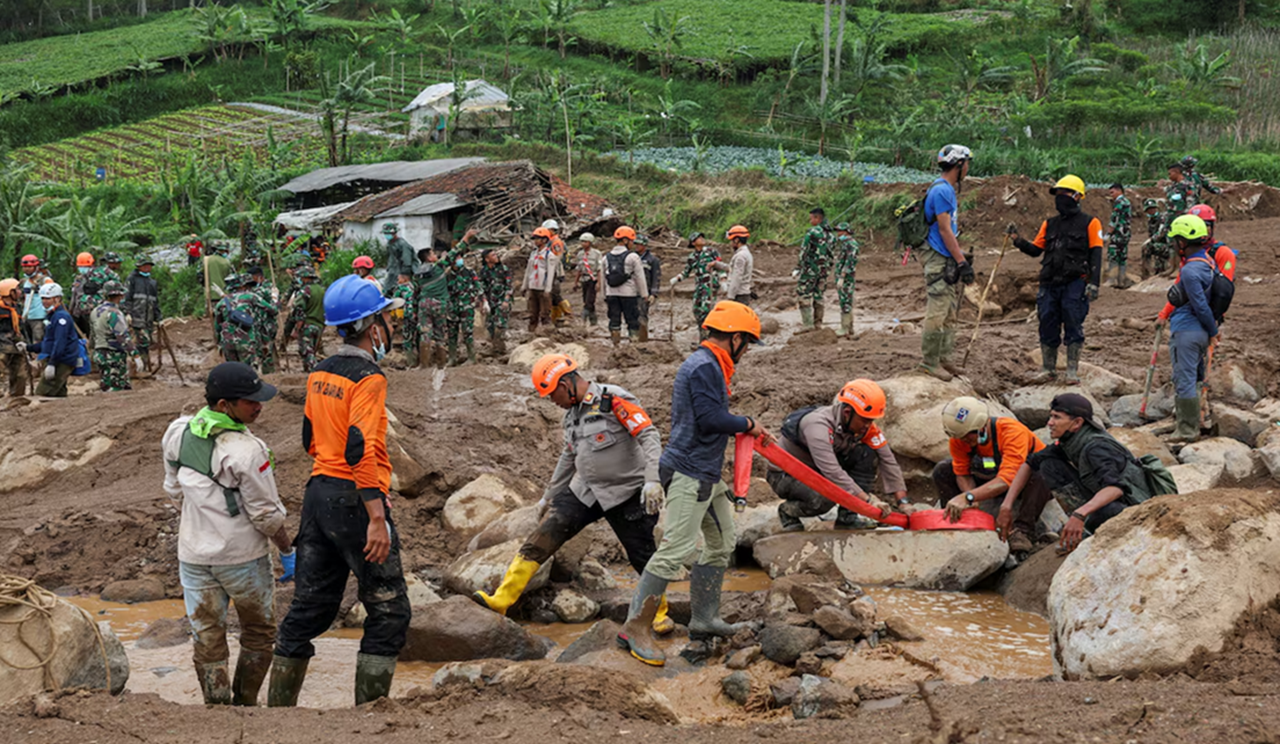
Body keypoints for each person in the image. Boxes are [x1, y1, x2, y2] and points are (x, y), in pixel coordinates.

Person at [270, 275, 409, 707]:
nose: (392, 323)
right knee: (389, 610)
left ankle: (275, 715)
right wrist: (376, 516)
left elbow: (310, 440)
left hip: (318, 496)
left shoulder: (320, 371)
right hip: (355, 501)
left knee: (309, 608)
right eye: (386, 317)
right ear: (371, 326)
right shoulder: (369, 378)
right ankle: (368, 716)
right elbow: (360, 448)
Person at [617, 301, 771, 667]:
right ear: (735, 338)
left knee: (722, 542)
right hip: (689, 472)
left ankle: (704, 619)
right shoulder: (704, 367)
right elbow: (710, 419)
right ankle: (635, 628)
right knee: (675, 550)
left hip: (707, 473)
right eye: (747, 343)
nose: (747, 350)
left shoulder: (713, 365)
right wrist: (748, 423)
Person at [475, 353, 672, 633]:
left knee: (642, 554)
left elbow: (648, 435)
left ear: (565, 383)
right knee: (543, 536)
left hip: (626, 491)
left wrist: (652, 480)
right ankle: (501, 600)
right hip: (586, 490)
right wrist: (547, 497)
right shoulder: (571, 417)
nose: (551, 400)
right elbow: (567, 458)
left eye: (552, 393)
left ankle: (659, 613)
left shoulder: (613, 399)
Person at [162, 362, 291, 706]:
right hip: (242, 559)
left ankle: (215, 707)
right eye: (250, 401)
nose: (259, 406)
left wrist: (203, 516)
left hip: (193, 557)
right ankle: (245, 704)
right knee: (259, 633)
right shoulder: (247, 450)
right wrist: (287, 550)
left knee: (206, 635)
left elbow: (174, 490)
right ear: (224, 405)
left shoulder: (178, 431)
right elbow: (266, 516)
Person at [1005, 394, 1153, 554]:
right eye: (1051, 416)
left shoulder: (1097, 448)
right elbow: (1030, 462)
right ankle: (1082, 528)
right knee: (1049, 465)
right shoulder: (1071, 440)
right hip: (1106, 500)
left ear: (1077, 423)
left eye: (1057, 417)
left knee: (1106, 511)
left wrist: (1080, 514)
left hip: (1133, 510)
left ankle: (1086, 530)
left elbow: (1116, 488)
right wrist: (1006, 506)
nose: (1050, 423)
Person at [768, 380, 909, 532]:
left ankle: (848, 518)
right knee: (827, 497)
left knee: (867, 454)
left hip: (817, 470)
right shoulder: (817, 426)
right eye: (865, 420)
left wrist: (903, 503)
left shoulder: (863, 427)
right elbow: (832, 471)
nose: (868, 425)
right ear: (847, 413)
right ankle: (788, 511)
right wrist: (869, 501)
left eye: (871, 420)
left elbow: (888, 460)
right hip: (786, 475)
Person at [1009, 175, 1105, 384]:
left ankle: (1071, 371)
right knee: (1047, 323)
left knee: (1073, 322)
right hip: (1049, 283)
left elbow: (1096, 254)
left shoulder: (1091, 223)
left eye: (1065, 193)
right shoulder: (1049, 224)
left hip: (1075, 282)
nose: (1060, 197)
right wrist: (1017, 240)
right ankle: (1048, 369)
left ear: (1077, 196)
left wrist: (1094, 283)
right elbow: (1036, 250)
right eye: (1058, 193)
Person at [935, 396, 1053, 555]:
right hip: (991, 475)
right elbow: (962, 473)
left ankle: (1023, 531)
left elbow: (1008, 479)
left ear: (981, 426)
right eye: (960, 437)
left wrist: (968, 497)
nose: (963, 440)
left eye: (968, 436)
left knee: (1042, 470)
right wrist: (970, 497)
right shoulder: (959, 438)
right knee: (943, 470)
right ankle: (956, 520)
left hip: (1025, 483)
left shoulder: (1012, 432)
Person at [1158, 215, 1221, 443]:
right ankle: (1194, 422)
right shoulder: (1208, 262)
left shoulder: (1189, 271)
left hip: (1187, 331)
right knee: (1194, 376)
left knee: (1184, 379)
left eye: (1175, 240)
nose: (1173, 245)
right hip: (1199, 332)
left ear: (1182, 242)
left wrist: (1213, 331)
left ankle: (1186, 430)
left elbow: (1200, 305)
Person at [919, 145, 977, 380]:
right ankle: (929, 362)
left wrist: (958, 255)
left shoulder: (945, 189)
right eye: (967, 163)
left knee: (950, 311)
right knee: (938, 310)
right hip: (938, 259)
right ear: (959, 164)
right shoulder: (942, 191)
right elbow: (944, 230)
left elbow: (945, 230)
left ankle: (944, 358)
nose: (968, 168)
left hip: (945, 256)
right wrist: (961, 262)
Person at [601, 226, 649, 345]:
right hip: (629, 294)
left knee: (614, 320)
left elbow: (602, 279)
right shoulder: (633, 257)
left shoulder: (605, 258)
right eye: (632, 241)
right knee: (632, 320)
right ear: (625, 240)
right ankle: (633, 344)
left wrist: (604, 295)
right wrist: (644, 294)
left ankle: (615, 344)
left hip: (611, 294)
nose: (633, 244)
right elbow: (640, 277)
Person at [30, 283, 79, 397]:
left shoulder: (61, 317)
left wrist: (52, 363)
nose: (44, 301)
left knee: (43, 393)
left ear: (57, 299)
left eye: (48, 298)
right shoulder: (52, 316)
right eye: (43, 298)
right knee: (58, 394)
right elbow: (49, 342)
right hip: (57, 359)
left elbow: (60, 342)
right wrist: (29, 347)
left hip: (61, 360)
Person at [670, 232, 725, 329]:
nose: (702, 239)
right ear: (693, 243)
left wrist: (723, 279)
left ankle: (709, 332)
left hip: (710, 285)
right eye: (698, 238)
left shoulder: (712, 252)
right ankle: (702, 332)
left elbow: (720, 266)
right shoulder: (692, 257)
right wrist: (677, 278)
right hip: (699, 286)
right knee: (696, 310)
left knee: (706, 309)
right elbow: (686, 272)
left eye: (702, 237)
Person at [90, 281, 137, 392]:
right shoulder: (115, 313)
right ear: (120, 296)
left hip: (99, 353)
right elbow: (122, 337)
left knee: (106, 384)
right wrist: (135, 354)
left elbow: (93, 335)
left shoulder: (95, 311)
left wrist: (92, 349)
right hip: (113, 354)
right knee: (117, 389)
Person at [443, 231, 481, 366]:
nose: (460, 259)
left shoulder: (469, 272)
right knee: (452, 333)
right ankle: (452, 358)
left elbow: (478, 287)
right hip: (452, 308)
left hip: (466, 307)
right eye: (457, 257)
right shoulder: (447, 275)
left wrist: (477, 300)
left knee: (467, 332)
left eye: (460, 257)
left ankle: (472, 357)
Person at [795, 207, 833, 331]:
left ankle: (807, 325)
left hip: (810, 269)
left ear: (817, 218)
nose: (810, 221)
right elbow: (831, 255)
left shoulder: (812, 232)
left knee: (804, 294)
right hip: (823, 271)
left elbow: (804, 251)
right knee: (819, 295)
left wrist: (798, 267)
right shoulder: (831, 235)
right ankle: (818, 324)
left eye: (811, 218)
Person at [283, 266, 326, 373]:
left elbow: (299, 310)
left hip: (307, 325)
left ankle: (315, 372)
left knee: (306, 352)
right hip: (319, 325)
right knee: (312, 351)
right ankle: (308, 373)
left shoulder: (305, 290)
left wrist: (297, 329)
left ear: (305, 277)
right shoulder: (322, 290)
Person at [415, 245, 451, 368]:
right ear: (429, 258)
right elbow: (456, 251)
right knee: (440, 334)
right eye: (433, 254)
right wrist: (467, 237)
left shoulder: (418, 273)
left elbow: (416, 291)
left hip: (424, 304)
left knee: (425, 333)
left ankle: (424, 364)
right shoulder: (439, 267)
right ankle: (441, 363)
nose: (436, 255)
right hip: (439, 304)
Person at [124, 256, 161, 372]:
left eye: (149, 265)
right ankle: (136, 368)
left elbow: (155, 302)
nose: (147, 268)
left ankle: (142, 368)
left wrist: (159, 317)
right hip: (136, 318)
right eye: (145, 265)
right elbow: (127, 298)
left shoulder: (152, 283)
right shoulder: (132, 280)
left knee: (145, 344)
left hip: (148, 319)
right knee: (138, 343)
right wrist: (127, 313)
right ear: (139, 266)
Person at [524, 227, 560, 333]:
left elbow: (550, 273)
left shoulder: (549, 255)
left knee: (545, 314)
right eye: (534, 239)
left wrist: (547, 290)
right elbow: (528, 271)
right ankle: (531, 334)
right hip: (533, 287)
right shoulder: (533, 254)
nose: (535, 241)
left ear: (544, 240)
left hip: (542, 288)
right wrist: (524, 286)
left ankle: (546, 334)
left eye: (537, 238)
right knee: (532, 314)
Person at [478, 249, 513, 356]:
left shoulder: (503, 269)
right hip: (490, 302)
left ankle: (499, 349)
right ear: (487, 259)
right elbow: (481, 288)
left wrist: (506, 301)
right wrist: (483, 303)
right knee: (490, 325)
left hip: (502, 301)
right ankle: (497, 347)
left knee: (500, 324)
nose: (496, 256)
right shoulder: (483, 271)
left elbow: (509, 287)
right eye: (493, 255)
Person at [245, 265, 278, 374]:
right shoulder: (253, 288)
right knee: (258, 349)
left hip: (266, 324)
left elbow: (274, 308)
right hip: (256, 323)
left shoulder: (267, 288)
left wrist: (275, 298)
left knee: (266, 349)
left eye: (251, 277)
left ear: (258, 277)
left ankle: (269, 373)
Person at [0, 279, 27, 397]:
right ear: (10, 292)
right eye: (17, 289)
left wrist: (26, 342)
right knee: (1, 372)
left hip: (17, 343)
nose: (20, 292)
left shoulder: (17, 308)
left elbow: (22, 327)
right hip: (2, 344)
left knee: (21, 373)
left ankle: (17, 396)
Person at [832, 222, 859, 337]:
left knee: (845, 300)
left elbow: (850, 261)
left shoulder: (851, 244)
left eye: (840, 231)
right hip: (843, 276)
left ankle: (845, 328)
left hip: (846, 278)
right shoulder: (845, 244)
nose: (838, 233)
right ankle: (849, 327)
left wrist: (842, 276)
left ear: (846, 232)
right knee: (844, 300)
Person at [633, 235, 662, 343]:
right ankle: (633, 338)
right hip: (631, 291)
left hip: (645, 292)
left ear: (644, 245)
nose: (637, 246)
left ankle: (642, 339)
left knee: (642, 314)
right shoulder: (632, 257)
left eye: (639, 244)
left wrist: (653, 293)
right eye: (636, 244)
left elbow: (656, 277)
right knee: (632, 315)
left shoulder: (652, 260)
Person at [543, 219, 571, 327]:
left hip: (555, 272)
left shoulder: (556, 242)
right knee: (553, 297)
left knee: (555, 294)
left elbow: (557, 258)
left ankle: (568, 314)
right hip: (551, 271)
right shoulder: (550, 241)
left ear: (551, 230)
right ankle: (556, 318)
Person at [1105, 183, 1133, 289]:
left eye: (1112, 192)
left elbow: (1114, 220)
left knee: (1113, 255)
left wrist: (1108, 234)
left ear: (1119, 191)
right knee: (1122, 256)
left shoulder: (1119, 202)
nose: (1111, 195)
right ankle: (1122, 280)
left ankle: (1112, 280)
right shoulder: (1127, 202)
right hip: (1126, 233)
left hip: (1118, 234)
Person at [19, 255, 51, 346]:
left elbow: (53, 298)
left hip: (40, 317)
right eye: (25, 267)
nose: (27, 269)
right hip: (27, 317)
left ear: (36, 267)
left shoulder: (45, 280)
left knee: (38, 342)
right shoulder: (25, 282)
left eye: (30, 267)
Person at [388, 273, 418, 361]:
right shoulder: (414, 286)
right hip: (418, 313)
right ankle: (419, 358)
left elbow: (394, 301)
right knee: (417, 335)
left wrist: (393, 315)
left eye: (399, 279)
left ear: (405, 279)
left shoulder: (400, 288)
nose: (397, 281)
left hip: (407, 314)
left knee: (407, 337)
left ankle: (410, 361)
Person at [574, 232, 601, 326]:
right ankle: (593, 321)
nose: (583, 244)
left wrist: (599, 283)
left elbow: (599, 269)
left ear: (590, 243)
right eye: (582, 242)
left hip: (592, 279)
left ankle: (583, 319)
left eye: (585, 242)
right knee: (586, 300)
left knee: (589, 300)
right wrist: (576, 282)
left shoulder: (596, 254)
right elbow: (579, 269)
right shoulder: (580, 254)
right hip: (584, 279)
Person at [68, 251, 98, 337]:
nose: (83, 269)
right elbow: (74, 295)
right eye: (81, 267)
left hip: (90, 313)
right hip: (77, 313)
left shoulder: (97, 278)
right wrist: (70, 311)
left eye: (85, 267)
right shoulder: (78, 279)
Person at [723, 225, 754, 306]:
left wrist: (731, 296)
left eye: (731, 241)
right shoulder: (745, 253)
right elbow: (732, 268)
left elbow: (737, 277)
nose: (730, 243)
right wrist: (717, 264)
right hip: (743, 294)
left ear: (736, 240)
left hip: (739, 295)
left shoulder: (740, 256)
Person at [1162, 163, 1196, 236]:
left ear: (1176, 172)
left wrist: (1185, 219)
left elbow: (1190, 203)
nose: (1169, 176)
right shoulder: (1173, 186)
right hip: (1170, 219)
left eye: (1170, 174)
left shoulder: (1187, 185)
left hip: (1181, 219)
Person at [1141, 198, 1172, 278]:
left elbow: (1161, 233)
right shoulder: (1150, 221)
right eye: (1149, 209)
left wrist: (1150, 240)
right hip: (1159, 245)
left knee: (1147, 247)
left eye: (1152, 208)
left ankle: (1146, 274)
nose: (1151, 211)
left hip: (1168, 246)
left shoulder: (1163, 218)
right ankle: (1147, 272)